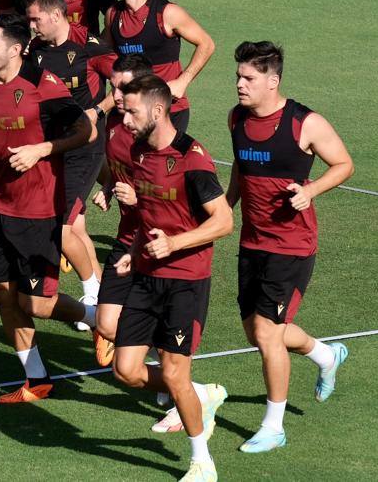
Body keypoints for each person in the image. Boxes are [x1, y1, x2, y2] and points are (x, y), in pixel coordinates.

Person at [0, 14, 97, 403]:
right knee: (0, 292)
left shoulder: (41, 85)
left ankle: (97, 319)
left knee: (37, 303)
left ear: (15, 50)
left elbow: (85, 130)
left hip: (39, 208)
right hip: (1, 207)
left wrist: (42, 149)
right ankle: (37, 378)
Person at [226, 41, 354, 453]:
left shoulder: (305, 123)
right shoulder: (236, 120)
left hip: (292, 246)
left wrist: (311, 190)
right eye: (238, 77)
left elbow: (344, 164)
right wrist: (223, 209)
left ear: (273, 81)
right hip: (252, 242)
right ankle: (325, 356)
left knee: (267, 334)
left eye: (249, 78)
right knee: (257, 332)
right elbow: (240, 176)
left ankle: (273, 426)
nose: (240, 85)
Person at [111, 74, 232, 482]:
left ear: (159, 111)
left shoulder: (193, 159)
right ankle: (197, 394)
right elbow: (148, 212)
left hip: (185, 281)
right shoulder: (138, 151)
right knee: (125, 369)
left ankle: (203, 463)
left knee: (176, 371)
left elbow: (224, 221)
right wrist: (133, 251)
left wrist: (175, 244)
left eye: (131, 111)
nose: (124, 118)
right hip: (147, 275)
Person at [23, 0, 116, 332]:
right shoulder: (37, 50)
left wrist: (97, 110)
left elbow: (125, 82)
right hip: (53, 147)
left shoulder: (89, 47)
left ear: (56, 14)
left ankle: (92, 295)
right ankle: (106, 295)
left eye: (36, 19)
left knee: (57, 224)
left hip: (85, 147)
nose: (32, 26)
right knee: (75, 226)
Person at [102, 0, 216, 135]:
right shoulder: (113, 15)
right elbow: (107, 58)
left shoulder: (166, 13)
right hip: (128, 112)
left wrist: (183, 81)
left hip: (166, 112)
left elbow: (207, 43)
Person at [91, 53, 153, 367]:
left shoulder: (158, 136)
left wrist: (139, 200)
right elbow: (119, 168)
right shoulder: (114, 122)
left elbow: (180, 202)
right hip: (127, 236)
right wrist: (108, 188)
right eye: (113, 88)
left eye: (122, 89)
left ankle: (169, 368)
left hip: (159, 242)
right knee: (106, 324)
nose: (114, 96)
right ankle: (152, 349)